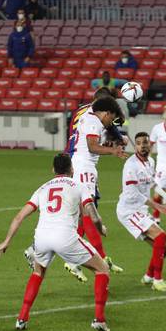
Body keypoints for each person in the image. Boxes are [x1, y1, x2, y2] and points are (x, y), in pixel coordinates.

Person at [0, 153, 112, 331]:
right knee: (102, 268)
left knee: (38, 272)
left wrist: (6, 241)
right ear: (72, 169)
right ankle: (99, 319)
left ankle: (21, 319)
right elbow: (91, 211)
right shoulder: (79, 185)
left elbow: (19, 216)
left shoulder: (42, 188)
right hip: (65, 237)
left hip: (41, 238)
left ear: (53, 170)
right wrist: (100, 227)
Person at [65, 96, 128, 281]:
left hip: (80, 165)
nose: (111, 123)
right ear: (107, 113)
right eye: (112, 118)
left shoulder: (87, 117)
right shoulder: (93, 120)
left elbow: (92, 144)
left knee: (79, 214)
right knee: (87, 212)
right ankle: (76, 259)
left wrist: (113, 144)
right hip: (84, 167)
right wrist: (113, 151)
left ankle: (79, 257)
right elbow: (92, 147)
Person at [117, 132, 166, 292]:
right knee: (161, 236)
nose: (142, 145)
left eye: (145, 142)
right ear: (135, 146)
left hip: (140, 209)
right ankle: (157, 281)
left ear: (150, 145)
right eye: (138, 143)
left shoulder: (150, 161)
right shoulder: (131, 165)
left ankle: (149, 276)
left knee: (163, 248)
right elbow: (132, 193)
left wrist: (165, 197)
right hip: (128, 210)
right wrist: (157, 206)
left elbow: (151, 183)